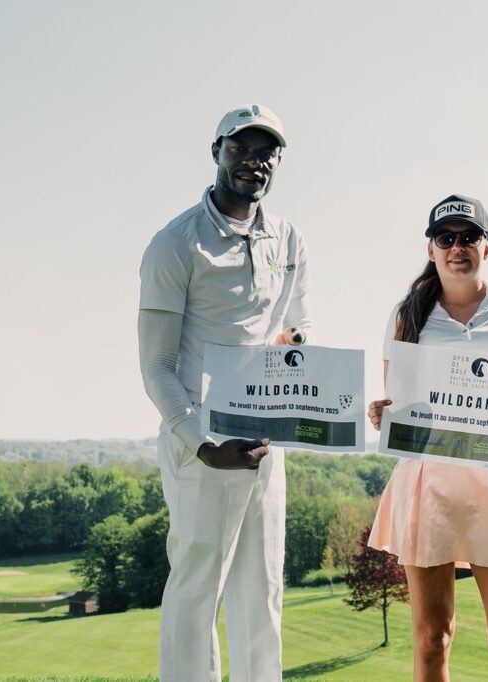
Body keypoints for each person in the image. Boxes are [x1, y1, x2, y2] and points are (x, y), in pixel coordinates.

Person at [138, 104, 311, 682]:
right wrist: (202, 444)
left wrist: (296, 344)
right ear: (217, 151)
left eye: (266, 152)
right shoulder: (175, 243)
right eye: (240, 148)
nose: (253, 161)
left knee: (262, 593)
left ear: (278, 162)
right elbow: (156, 366)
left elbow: (294, 327)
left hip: (266, 441)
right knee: (196, 593)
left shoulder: (289, 238)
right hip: (204, 445)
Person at [366, 194, 488, 682]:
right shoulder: (407, 314)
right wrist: (381, 413)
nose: (457, 247)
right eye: (446, 238)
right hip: (427, 485)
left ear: (486, 247)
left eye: (469, 237)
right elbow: (399, 400)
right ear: (431, 249)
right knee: (432, 637)